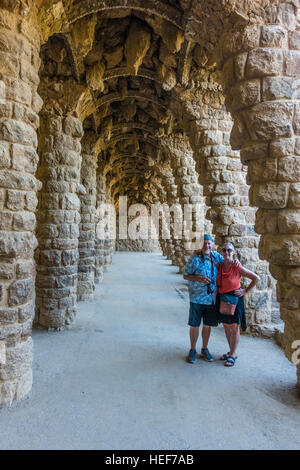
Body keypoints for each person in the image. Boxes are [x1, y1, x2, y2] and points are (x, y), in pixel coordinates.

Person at [217, 242, 260, 367]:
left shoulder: (237, 267)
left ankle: (233, 354)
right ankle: (230, 351)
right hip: (224, 298)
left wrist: (245, 291)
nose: (226, 253)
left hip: (235, 299)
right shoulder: (219, 266)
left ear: (233, 252)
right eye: (224, 250)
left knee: (234, 327)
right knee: (226, 325)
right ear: (221, 252)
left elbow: (256, 278)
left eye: (229, 250)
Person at [183, 234, 224, 363]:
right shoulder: (194, 259)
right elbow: (186, 275)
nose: (207, 245)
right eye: (204, 243)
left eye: (209, 243)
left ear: (212, 245)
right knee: (194, 325)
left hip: (211, 298)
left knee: (207, 325)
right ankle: (193, 350)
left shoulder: (217, 258)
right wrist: (199, 278)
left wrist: (235, 261)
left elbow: (228, 263)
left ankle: (204, 349)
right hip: (196, 298)